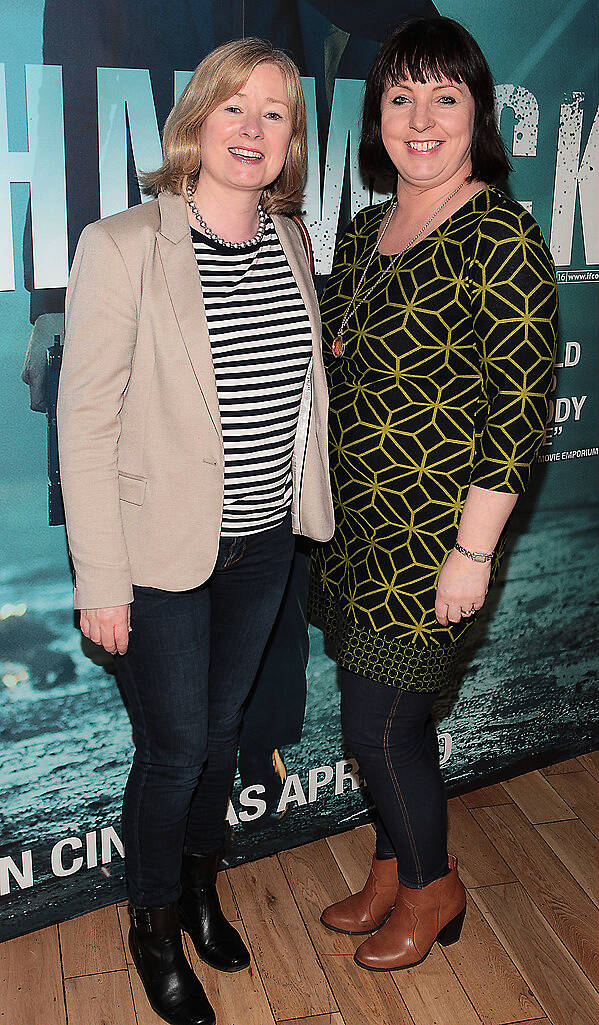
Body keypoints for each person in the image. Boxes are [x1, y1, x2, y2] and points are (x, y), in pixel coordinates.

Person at [57, 37, 334, 1025]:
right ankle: (152, 923)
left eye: (274, 112)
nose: (253, 128)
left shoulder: (294, 240)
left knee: (221, 734)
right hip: (159, 555)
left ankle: (204, 885)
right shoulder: (124, 243)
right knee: (175, 748)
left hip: (264, 542)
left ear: (291, 137)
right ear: (196, 122)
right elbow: (83, 420)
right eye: (235, 107)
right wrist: (101, 579)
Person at [310, 16, 558, 971]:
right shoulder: (370, 226)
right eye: (399, 97)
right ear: (377, 117)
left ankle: (432, 886)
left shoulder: (500, 234)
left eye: (442, 98)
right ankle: (390, 864)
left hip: (433, 538)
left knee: (377, 722)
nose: (420, 119)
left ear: (475, 116)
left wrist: (474, 551)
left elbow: (518, 409)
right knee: (386, 721)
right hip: (356, 527)